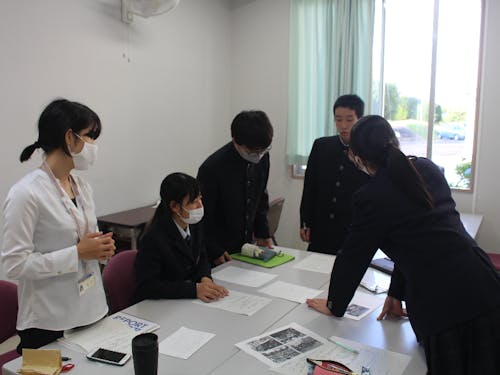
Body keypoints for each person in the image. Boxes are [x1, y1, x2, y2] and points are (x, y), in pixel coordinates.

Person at [306, 115, 500, 374]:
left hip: (445, 306)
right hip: (485, 285)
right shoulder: (427, 169)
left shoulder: (371, 197)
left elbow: (353, 256)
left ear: (358, 159)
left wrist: (334, 304)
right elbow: (415, 242)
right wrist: (396, 293)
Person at [1, 99, 116, 353]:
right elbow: (14, 264)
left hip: (91, 310)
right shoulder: (26, 194)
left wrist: (100, 250)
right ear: (69, 138)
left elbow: (81, 240)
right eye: (90, 137)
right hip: (48, 322)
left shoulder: (82, 187)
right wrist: (76, 254)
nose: (94, 146)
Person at [134, 172, 228, 303]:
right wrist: (194, 290)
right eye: (194, 202)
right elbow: (148, 287)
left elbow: (201, 256)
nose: (200, 206)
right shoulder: (152, 238)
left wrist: (205, 278)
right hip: (162, 306)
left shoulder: (194, 224)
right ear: (174, 206)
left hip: (186, 303)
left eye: (200, 198)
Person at [197, 110, 273, 265]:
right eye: (252, 151)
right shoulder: (212, 168)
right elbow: (202, 216)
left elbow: (260, 196)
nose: (258, 155)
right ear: (235, 141)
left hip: (246, 247)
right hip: (220, 250)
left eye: (263, 150)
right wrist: (214, 250)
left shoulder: (263, 157)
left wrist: (263, 233)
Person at [300, 94, 369, 255]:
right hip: (321, 229)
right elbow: (310, 187)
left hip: (352, 231)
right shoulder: (321, 146)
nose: (343, 125)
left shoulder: (368, 151)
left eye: (349, 119)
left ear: (360, 119)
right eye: (338, 119)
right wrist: (305, 221)